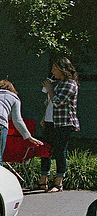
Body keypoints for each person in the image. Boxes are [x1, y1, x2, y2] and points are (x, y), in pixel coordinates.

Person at [36, 57, 80, 193]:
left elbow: (57, 101)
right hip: (51, 121)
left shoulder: (70, 84)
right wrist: (44, 117)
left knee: (60, 151)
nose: (52, 71)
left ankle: (58, 183)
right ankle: (43, 181)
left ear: (63, 69)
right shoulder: (57, 84)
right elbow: (49, 103)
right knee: (45, 149)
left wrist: (49, 89)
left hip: (63, 123)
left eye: (55, 68)